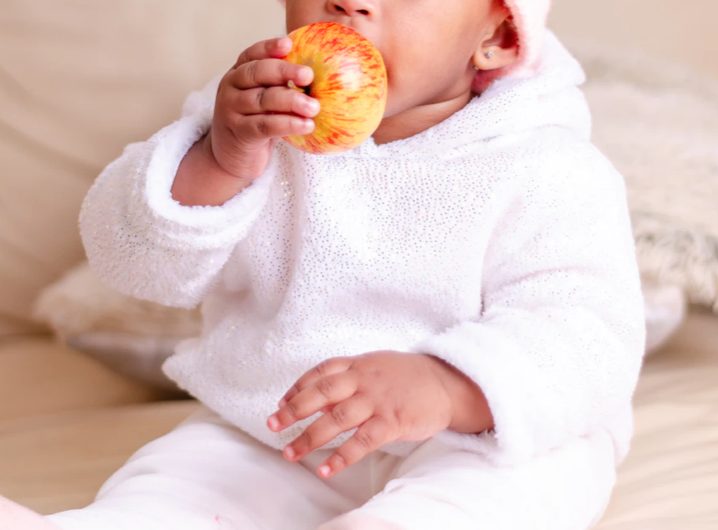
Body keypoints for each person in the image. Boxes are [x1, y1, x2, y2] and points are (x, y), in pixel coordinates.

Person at [0, 0, 646, 528]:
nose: (349, 2)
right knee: (179, 487)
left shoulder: (548, 167)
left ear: (499, 38)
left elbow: (588, 335)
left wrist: (447, 386)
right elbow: (133, 264)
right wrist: (218, 160)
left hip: (477, 436)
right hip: (279, 428)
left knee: (506, 493)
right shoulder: (247, 129)